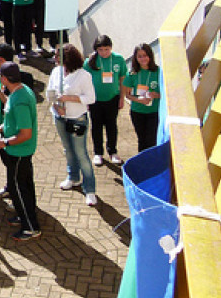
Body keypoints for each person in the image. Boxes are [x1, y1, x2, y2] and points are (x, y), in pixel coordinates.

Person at [0, 62, 41, 241]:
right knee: (25, 185)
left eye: (0, 77)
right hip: (20, 151)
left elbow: (25, 133)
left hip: (19, 152)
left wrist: (4, 142)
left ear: (5, 79)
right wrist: (1, 128)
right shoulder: (20, 91)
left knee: (17, 188)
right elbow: (14, 122)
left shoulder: (20, 100)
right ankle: (24, 215)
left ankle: (30, 227)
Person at [45, 44, 97, 206]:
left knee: (81, 153)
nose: (55, 59)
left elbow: (91, 98)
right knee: (68, 149)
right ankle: (73, 177)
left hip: (77, 118)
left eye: (58, 56)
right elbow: (50, 93)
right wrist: (56, 106)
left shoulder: (84, 76)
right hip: (59, 117)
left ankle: (90, 189)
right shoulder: (56, 72)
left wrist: (68, 98)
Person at [83, 35, 127, 166]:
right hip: (95, 100)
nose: (104, 53)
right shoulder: (90, 62)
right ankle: (98, 153)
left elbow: (122, 79)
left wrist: (122, 97)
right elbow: (84, 82)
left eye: (106, 49)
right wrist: (86, 100)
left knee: (111, 125)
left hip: (112, 98)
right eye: (100, 50)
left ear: (111, 48)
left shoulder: (118, 59)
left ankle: (112, 151)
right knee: (96, 126)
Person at [123, 43, 161, 152]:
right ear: (136, 58)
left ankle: (152, 161)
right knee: (142, 140)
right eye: (139, 56)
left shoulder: (158, 72)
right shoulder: (132, 73)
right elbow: (127, 95)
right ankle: (142, 161)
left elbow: (165, 93)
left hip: (154, 112)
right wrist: (138, 99)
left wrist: (156, 95)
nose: (143, 58)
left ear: (150, 56)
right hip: (137, 112)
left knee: (151, 141)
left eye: (145, 55)